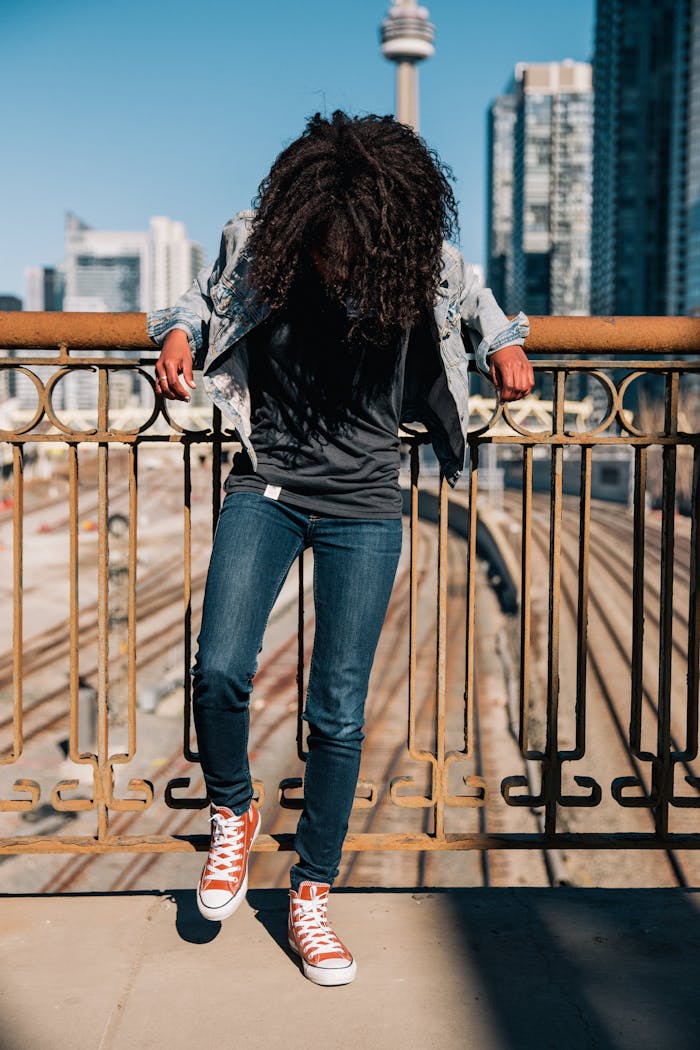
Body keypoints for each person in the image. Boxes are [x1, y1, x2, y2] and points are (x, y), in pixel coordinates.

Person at [147, 111, 533, 987]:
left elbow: (476, 305)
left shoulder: (420, 259)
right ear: (301, 223)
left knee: (339, 711)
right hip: (268, 484)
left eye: (357, 256)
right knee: (218, 669)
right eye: (329, 252)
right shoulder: (262, 242)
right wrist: (173, 334)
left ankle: (311, 894)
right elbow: (200, 301)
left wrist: (506, 344)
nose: (343, 270)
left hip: (365, 502)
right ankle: (234, 814)